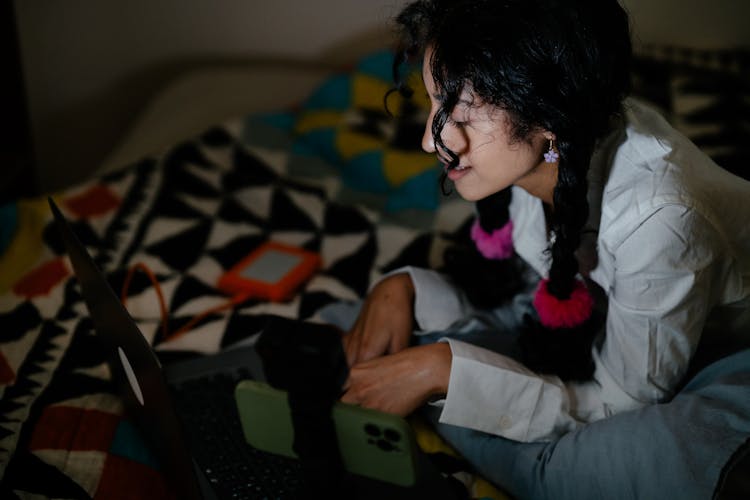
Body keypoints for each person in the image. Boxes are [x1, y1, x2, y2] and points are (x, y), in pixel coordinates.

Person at [331, 0, 750, 496]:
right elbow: (535, 294)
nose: (430, 141)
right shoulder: (542, 153)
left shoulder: (661, 220)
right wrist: (404, 286)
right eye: (432, 105)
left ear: (547, 114)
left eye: (459, 111)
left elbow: (623, 404)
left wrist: (442, 371)